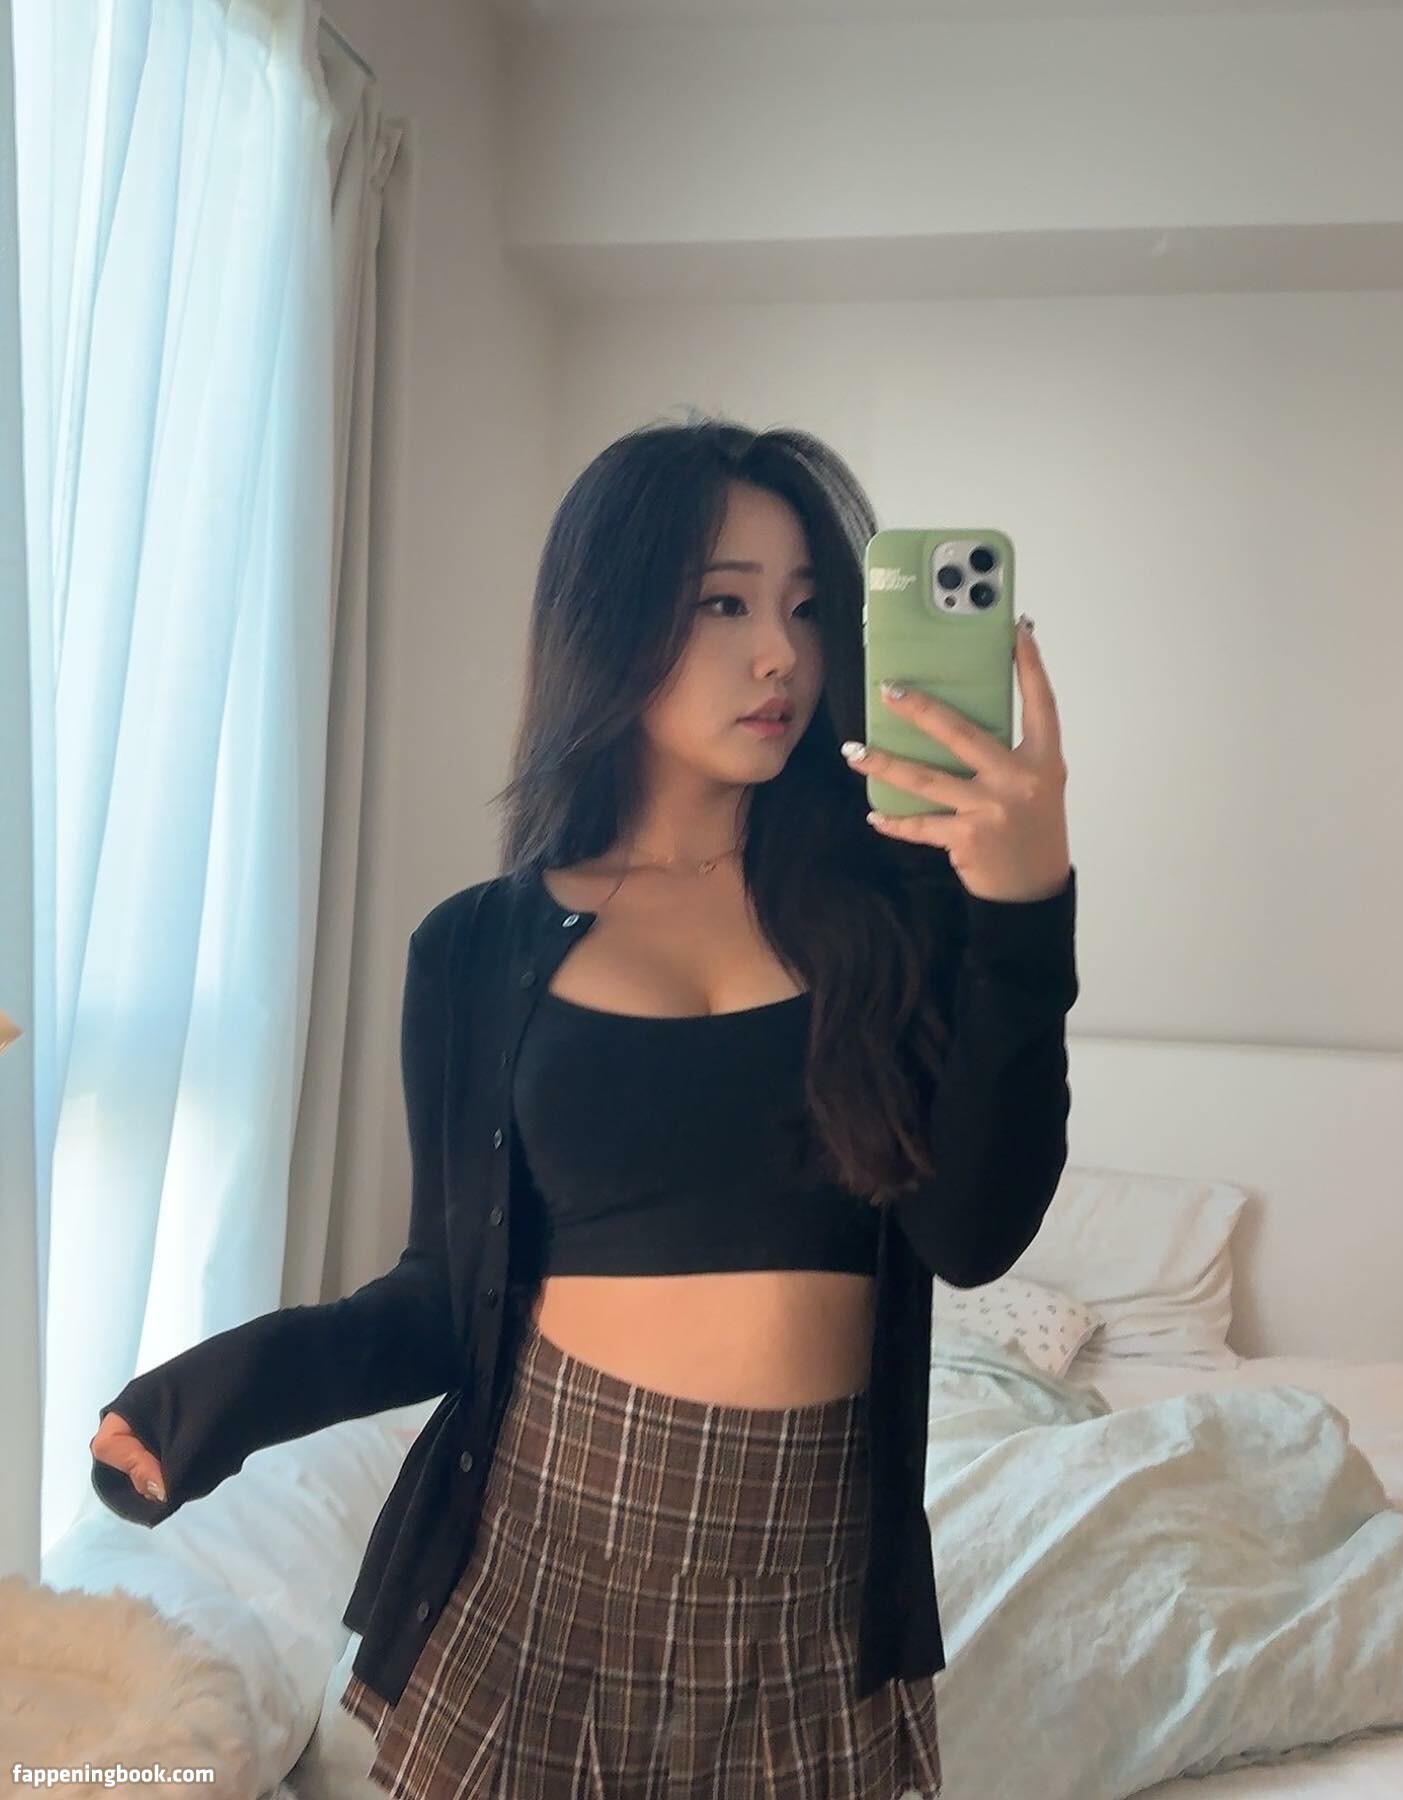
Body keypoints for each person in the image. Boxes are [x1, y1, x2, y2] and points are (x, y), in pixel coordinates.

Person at [92, 411, 1078, 1798]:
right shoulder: (476, 947)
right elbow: (444, 1297)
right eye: (724, 604)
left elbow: (974, 1233)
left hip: (808, 1577)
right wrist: (225, 1392)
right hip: (553, 1544)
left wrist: (1023, 907)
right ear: (610, 619)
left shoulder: (894, 911)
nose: (780, 653)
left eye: (807, 608)